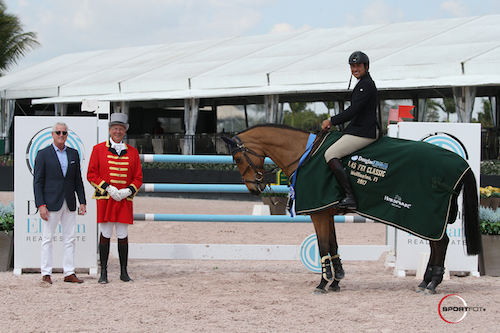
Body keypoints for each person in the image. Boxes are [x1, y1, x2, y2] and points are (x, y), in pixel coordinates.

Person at [87, 113, 143, 284]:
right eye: (115, 128)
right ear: (110, 130)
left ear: (125, 131)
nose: (118, 131)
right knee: (105, 233)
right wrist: (108, 188)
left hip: (124, 199)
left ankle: (123, 272)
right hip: (106, 198)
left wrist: (127, 191)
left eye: (121, 129)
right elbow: (91, 174)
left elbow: (138, 177)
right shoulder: (98, 149)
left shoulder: (133, 152)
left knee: (122, 234)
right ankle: (103, 273)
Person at [321, 51, 380, 210]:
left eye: (358, 66)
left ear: (366, 67)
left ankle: (350, 197)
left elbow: (353, 111)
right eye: (352, 66)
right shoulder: (362, 83)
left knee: (330, 154)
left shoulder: (366, 85)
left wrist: (331, 121)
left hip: (364, 131)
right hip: (358, 129)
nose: (355, 69)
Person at [34, 121, 87, 284]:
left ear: (67, 135)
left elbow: (78, 180)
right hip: (51, 202)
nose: (61, 135)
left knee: (70, 238)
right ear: (52, 134)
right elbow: (38, 182)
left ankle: (69, 272)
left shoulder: (73, 153)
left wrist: (82, 201)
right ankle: (46, 273)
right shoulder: (43, 154)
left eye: (64, 133)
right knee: (47, 238)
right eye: (58, 132)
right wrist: (41, 205)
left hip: (69, 201)